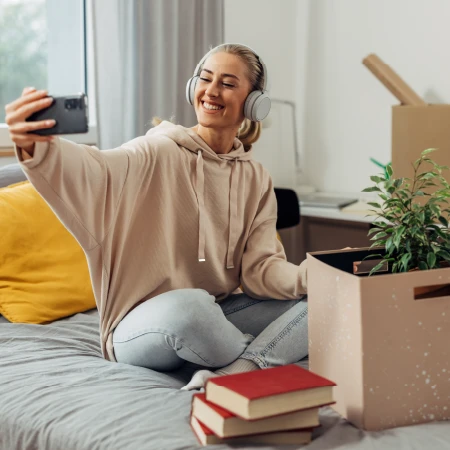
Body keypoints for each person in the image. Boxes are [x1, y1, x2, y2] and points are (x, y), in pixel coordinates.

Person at [5, 43, 308, 390]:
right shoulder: (155, 151)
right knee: (192, 308)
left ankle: (241, 370)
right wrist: (35, 145)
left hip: (216, 312)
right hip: (138, 328)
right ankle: (257, 358)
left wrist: (309, 276)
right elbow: (95, 170)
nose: (211, 91)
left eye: (227, 83)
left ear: (254, 102)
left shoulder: (255, 178)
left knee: (324, 303)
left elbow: (261, 270)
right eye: (205, 79)